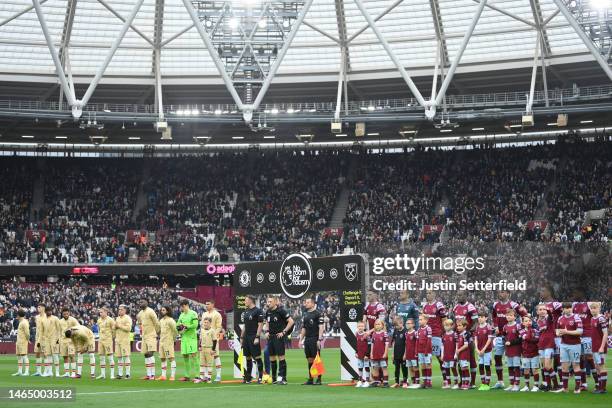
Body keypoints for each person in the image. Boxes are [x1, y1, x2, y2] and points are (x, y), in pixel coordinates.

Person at [491, 290, 526, 389]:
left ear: (508, 294)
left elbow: (524, 314)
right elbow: (494, 316)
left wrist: (522, 326)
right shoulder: (495, 305)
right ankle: (500, 381)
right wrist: (496, 326)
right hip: (500, 336)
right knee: (497, 357)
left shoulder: (513, 304)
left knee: (514, 360)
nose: (500, 294)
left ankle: (516, 383)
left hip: (512, 336)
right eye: (500, 292)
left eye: (503, 292)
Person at [552, 302, 583, 394]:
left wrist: (566, 332)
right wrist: (559, 333)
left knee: (575, 365)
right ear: (563, 309)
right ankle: (565, 388)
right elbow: (557, 331)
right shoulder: (560, 318)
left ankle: (577, 387)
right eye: (566, 308)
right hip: (564, 345)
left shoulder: (576, 317)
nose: (568, 309)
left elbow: (580, 331)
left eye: (570, 307)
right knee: (564, 367)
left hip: (575, 345)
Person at [264, 296, 294, 385]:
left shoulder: (281, 311)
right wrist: (266, 331)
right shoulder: (268, 312)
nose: (268, 303)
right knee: (272, 358)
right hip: (270, 338)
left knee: (281, 357)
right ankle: (274, 378)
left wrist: (283, 332)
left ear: (276, 302)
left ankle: (283, 378)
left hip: (278, 337)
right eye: (268, 301)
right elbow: (267, 322)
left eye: (270, 301)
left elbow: (291, 321)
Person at [452, 291, 478, 387]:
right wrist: (453, 331)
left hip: (468, 337)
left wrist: (469, 332)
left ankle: (473, 382)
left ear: (466, 296)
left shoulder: (470, 307)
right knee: (460, 359)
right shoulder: (455, 307)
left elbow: (476, 322)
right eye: (458, 295)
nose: (459, 296)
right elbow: (455, 322)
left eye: (461, 295)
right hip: (459, 337)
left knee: (471, 359)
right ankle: (462, 380)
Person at [572, 290, 594, 391]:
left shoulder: (589, 304)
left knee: (589, 357)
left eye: (576, 293)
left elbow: (595, 317)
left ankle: (598, 383)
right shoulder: (574, 305)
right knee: (580, 359)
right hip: (578, 336)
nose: (574, 294)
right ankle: (584, 383)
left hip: (587, 336)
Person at [299, 296, 324, 385]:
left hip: (315, 338)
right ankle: (311, 379)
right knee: (309, 359)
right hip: (307, 339)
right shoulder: (305, 314)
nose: (306, 304)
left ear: (313, 303)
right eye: (306, 302)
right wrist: (300, 339)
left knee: (317, 359)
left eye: (308, 302)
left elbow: (321, 327)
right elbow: (304, 328)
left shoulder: (318, 314)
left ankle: (319, 379)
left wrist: (319, 339)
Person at [240, 295, 264, 384]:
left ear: (250, 301)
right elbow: (245, 326)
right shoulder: (246, 311)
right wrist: (242, 337)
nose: (244, 302)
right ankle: (248, 377)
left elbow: (260, 324)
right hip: (246, 337)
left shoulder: (258, 311)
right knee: (248, 357)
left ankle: (260, 377)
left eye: (246, 300)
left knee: (257, 357)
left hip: (254, 336)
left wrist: (257, 337)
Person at [422, 291, 446, 370]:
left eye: (430, 293)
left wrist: (443, 332)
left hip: (436, 334)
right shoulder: (425, 306)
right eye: (427, 293)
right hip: (427, 336)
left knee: (439, 357)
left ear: (434, 294)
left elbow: (444, 320)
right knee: (427, 358)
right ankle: (428, 380)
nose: (428, 294)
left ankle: (446, 378)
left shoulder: (439, 305)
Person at [201, 300, 225, 382]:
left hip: (213, 339)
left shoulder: (217, 314)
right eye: (206, 304)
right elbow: (202, 326)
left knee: (216, 356)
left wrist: (213, 335)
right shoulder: (204, 314)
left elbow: (219, 327)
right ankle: (207, 376)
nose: (206, 305)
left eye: (208, 304)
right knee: (205, 358)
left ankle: (218, 375)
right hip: (205, 340)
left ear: (213, 305)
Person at [536, 303, 557, 391]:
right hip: (541, 346)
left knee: (548, 366)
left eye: (544, 309)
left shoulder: (549, 318)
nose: (542, 311)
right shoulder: (537, 321)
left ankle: (556, 385)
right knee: (544, 367)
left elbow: (551, 315)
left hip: (549, 345)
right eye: (540, 309)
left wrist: (548, 309)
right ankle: (548, 385)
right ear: (537, 312)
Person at [137, 300, 160, 380]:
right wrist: (141, 329)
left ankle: (153, 375)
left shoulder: (151, 311)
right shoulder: (140, 313)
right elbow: (139, 322)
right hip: (144, 336)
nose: (140, 303)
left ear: (146, 303)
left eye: (142, 302)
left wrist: (158, 332)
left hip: (151, 335)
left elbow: (156, 322)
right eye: (140, 302)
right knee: (146, 354)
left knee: (150, 353)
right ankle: (148, 374)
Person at [176, 299, 199, 382]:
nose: (181, 308)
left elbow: (195, 325)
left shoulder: (193, 313)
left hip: (191, 338)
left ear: (186, 305)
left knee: (194, 355)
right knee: (185, 356)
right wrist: (179, 328)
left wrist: (186, 326)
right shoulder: (181, 315)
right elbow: (177, 324)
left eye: (182, 307)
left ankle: (197, 375)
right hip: (184, 338)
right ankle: (187, 376)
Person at [589, 302, 608, 394]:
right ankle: (600, 386)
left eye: (595, 308)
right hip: (594, 347)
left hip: (600, 347)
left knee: (601, 366)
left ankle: (603, 388)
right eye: (591, 308)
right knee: (597, 367)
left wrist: (602, 347)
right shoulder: (592, 318)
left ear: (599, 308)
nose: (593, 310)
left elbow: (605, 333)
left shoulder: (601, 318)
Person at [502, 309, 522, 392]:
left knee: (516, 367)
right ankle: (511, 384)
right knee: (510, 367)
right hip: (508, 350)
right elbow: (503, 337)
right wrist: (505, 343)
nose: (508, 317)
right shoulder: (505, 326)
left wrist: (511, 342)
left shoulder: (518, 326)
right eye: (507, 315)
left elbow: (521, 338)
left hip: (516, 350)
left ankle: (517, 385)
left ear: (514, 317)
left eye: (510, 315)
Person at [519, 315, 540, 392]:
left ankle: (536, 385)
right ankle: (527, 386)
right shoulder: (521, 331)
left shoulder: (536, 331)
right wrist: (530, 333)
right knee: (526, 370)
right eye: (526, 321)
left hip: (535, 353)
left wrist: (531, 333)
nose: (528, 322)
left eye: (529, 321)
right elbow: (527, 338)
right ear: (523, 323)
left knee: (535, 370)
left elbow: (536, 340)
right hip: (525, 354)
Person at [474, 309, 494, 390]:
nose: (480, 318)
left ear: (486, 318)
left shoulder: (488, 327)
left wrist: (483, 349)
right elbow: (475, 339)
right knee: (481, 366)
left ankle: (487, 384)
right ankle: (483, 383)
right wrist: (477, 349)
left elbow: (489, 340)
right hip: (479, 351)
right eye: (479, 317)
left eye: (482, 317)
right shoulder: (477, 327)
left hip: (487, 351)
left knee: (487, 366)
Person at [158, 305, 178, 381]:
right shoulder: (161, 320)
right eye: (161, 310)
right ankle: (163, 376)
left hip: (168, 341)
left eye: (163, 310)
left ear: (167, 311)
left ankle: (172, 376)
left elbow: (175, 331)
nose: (162, 311)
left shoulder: (171, 320)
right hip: (161, 341)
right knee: (162, 358)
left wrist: (174, 339)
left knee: (171, 358)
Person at [196, 317, 217, 383]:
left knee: (209, 364)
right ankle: (201, 377)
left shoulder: (212, 331)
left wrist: (213, 350)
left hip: (209, 348)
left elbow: (215, 340)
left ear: (210, 323)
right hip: (202, 348)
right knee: (202, 364)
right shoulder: (201, 330)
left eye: (207, 322)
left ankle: (208, 378)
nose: (205, 324)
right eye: (204, 322)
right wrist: (199, 346)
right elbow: (200, 339)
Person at [97, 307, 116, 379]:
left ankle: (112, 375)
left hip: (108, 340)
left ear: (106, 312)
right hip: (101, 340)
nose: (100, 313)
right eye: (100, 312)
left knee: (110, 357)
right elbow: (99, 329)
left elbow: (114, 330)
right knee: (101, 357)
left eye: (101, 312)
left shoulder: (111, 320)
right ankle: (103, 374)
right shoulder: (99, 320)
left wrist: (112, 337)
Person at [59, 307, 78, 378]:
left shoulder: (73, 320)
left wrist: (72, 332)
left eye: (67, 314)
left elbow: (78, 327)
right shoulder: (60, 321)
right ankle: (66, 373)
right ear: (62, 314)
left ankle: (73, 373)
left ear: (69, 313)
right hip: (63, 341)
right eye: (64, 314)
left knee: (72, 356)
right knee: (65, 357)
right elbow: (59, 331)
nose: (66, 315)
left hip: (71, 341)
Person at [115, 304, 133, 379]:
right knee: (119, 357)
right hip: (118, 339)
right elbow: (115, 328)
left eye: (121, 309)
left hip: (125, 340)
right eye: (119, 309)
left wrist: (119, 326)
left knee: (126, 356)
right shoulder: (117, 318)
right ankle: (120, 374)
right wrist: (115, 327)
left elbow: (129, 328)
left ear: (125, 310)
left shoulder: (128, 318)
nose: (119, 310)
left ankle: (128, 374)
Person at [369, 319, 389, 387]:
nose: (377, 325)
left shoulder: (384, 333)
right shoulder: (373, 334)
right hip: (375, 354)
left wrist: (385, 353)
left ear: (382, 325)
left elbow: (386, 344)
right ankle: (376, 382)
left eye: (379, 324)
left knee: (384, 368)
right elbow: (372, 345)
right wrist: (371, 353)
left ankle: (386, 382)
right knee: (375, 368)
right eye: (376, 324)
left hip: (382, 354)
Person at [44, 306, 62, 377]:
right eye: (48, 311)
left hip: (54, 339)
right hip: (47, 340)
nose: (49, 312)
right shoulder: (44, 319)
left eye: (50, 311)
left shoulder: (55, 318)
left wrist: (58, 339)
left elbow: (59, 329)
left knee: (55, 355)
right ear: (45, 312)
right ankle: (50, 372)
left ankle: (57, 372)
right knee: (48, 356)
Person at [389, 316, 407, 388]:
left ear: (401, 323)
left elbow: (407, 344)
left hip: (403, 353)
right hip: (396, 353)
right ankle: (397, 382)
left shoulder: (405, 331)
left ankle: (405, 382)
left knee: (404, 368)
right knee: (396, 368)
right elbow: (393, 342)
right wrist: (393, 354)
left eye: (397, 325)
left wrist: (405, 354)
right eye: (395, 325)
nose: (395, 327)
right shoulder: (395, 331)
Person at [416, 314, 433, 388]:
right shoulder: (419, 329)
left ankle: (429, 381)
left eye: (421, 319)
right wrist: (416, 351)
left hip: (427, 351)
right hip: (420, 351)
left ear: (426, 320)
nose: (419, 321)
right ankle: (424, 381)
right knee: (422, 365)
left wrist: (426, 350)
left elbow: (429, 341)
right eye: (419, 319)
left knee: (428, 365)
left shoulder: (428, 329)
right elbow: (417, 341)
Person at [12, 309, 30, 376]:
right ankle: (19, 371)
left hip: (23, 341)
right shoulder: (21, 321)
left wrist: (28, 340)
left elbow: (27, 333)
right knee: (19, 356)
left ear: (18, 315)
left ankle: (27, 372)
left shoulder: (24, 322)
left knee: (24, 356)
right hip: (19, 341)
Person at [455, 319, 471, 390]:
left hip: (465, 354)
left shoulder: (466, 334)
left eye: (460, 325)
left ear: (464, 326)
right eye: (457, 326)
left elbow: (466, 345)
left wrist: (459, 350)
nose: (458, 327)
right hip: (460, 354)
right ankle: (463, 382)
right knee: (462, 368)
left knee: (465, 368)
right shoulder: (459, 335)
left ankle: (467, 383)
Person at [441, 319, 457, 389]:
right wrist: (442, 354)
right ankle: (448, 383)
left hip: (452, 355)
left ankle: (456, 383)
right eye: (445, 325)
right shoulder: (444, 335)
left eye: (447, 325)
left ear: (451, 326)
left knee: (453, 368)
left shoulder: (454, 334)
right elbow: (442, 346)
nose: (445, 327)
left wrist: (456, 354)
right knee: (446, 369)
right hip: (446, 355)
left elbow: (457, 345)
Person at [404, 318, 420, 388]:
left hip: (414, 354)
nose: (407, 325)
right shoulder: (406, 333)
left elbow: (417, 343)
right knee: (410, 368)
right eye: (406, 323)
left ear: (413, 324)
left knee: (415, 367)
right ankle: (413, 382)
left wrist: (417, 353)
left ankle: (417, 382)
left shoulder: (415, 333)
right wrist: (405, 353)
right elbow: (406, 344)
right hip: (408, 354)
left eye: (409, 323)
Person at [31, 303, 46, 376]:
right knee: (37, 353)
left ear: (43, 308)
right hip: (38, 338)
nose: (38, 309)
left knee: (45, 354)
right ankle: (38, 371)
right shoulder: (36, 317)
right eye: (37, 307)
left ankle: (46, 371)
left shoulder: (46, 317)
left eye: (39, 307)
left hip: (44, 338)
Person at [354, 321, 370, 387]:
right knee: (360, 367)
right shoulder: (356, 334)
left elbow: (369, 345)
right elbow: (356, 344)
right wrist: (356, 352)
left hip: (365, 355)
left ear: (364, 327)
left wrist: (367, 355)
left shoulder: (366, 334)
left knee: (366, 367)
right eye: (359, 326)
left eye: (362, 326)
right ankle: (360, 380)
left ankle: (367, 381)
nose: (360, 327)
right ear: (357, 327)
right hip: (359, 354)